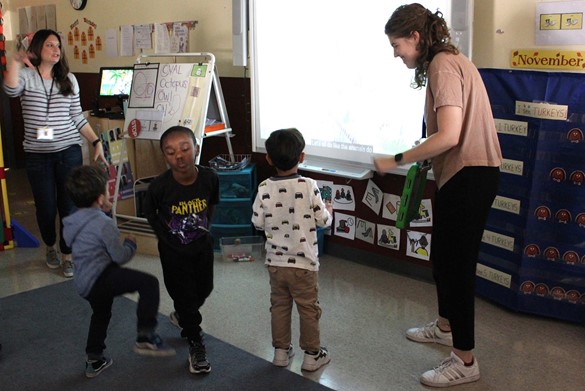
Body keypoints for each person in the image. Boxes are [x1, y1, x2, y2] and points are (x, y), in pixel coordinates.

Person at [374, 4, 502, 388]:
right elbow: (447, 133)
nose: (396, 54)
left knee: (456, 268)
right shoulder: (450, 60)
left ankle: (464, 361)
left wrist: (395, 159)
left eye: (397, 45)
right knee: (443, 260)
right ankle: (446, 326)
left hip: (470, 175)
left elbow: (449, 136)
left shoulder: (442, 65)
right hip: (465, 174)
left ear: (415, 37)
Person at [3, 29, 107, 278]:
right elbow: (9, 91)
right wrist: (15, 60)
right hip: (38, 156)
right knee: (46, 209)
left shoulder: (69, 79)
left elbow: (76, 117)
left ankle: (68, 255)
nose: (56, 50)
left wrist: (95, 142)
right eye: (50, 45)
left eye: (58, 45)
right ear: (37, 49)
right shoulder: (27, 77)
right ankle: (51, 246)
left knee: (69, 207)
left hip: (68, 152)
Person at [63, 165, 175, 379]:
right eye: (106, 192)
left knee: (101, 313)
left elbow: (80, 242)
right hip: (100, 278)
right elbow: (119, 257)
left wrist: (103, 213)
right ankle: (145, 335)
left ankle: (94, 359)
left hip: (84, 282)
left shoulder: (72, 220)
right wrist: (131, 244)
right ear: (99, 198)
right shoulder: (103, 224)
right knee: (149, 283)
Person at [251, 128, 334, 372]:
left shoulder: (264, 187)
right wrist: (329, 210)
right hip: (304, 265)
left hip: (276, 264)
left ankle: (280, 352)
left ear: (268, 159)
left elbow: (256, 222)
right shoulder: (309, 185)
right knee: (308, 309)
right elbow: (324, 221)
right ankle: (311, 355)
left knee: (279, 306)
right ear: (302, 157)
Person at [143, 126, 219, 374]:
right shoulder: (159, 187)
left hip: (202, 247)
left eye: (185, 149)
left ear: (196, 149)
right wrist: (164, 238)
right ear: (165, 157)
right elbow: (150, 213)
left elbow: (212, 204)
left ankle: (183, 314)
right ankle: (195, 342)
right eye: (171, 152)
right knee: (185, 296)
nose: (179, 156)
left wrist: (205, 228)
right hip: (174, 253)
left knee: (204, 289)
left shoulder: (209, 177)